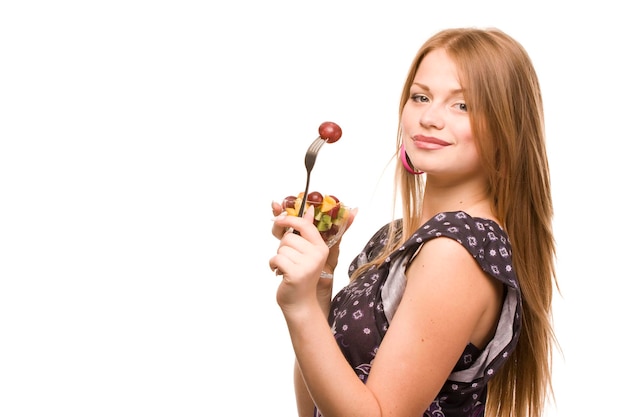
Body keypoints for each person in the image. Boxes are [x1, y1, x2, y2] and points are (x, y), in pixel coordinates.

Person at [269, 27, 557, 417]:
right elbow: (319, 410)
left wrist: (299, 307)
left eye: (463, 105)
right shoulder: (398, 238)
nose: (429, 118)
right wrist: (319, 284)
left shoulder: (456, 252)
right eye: (420, 97)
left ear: (507, 129)